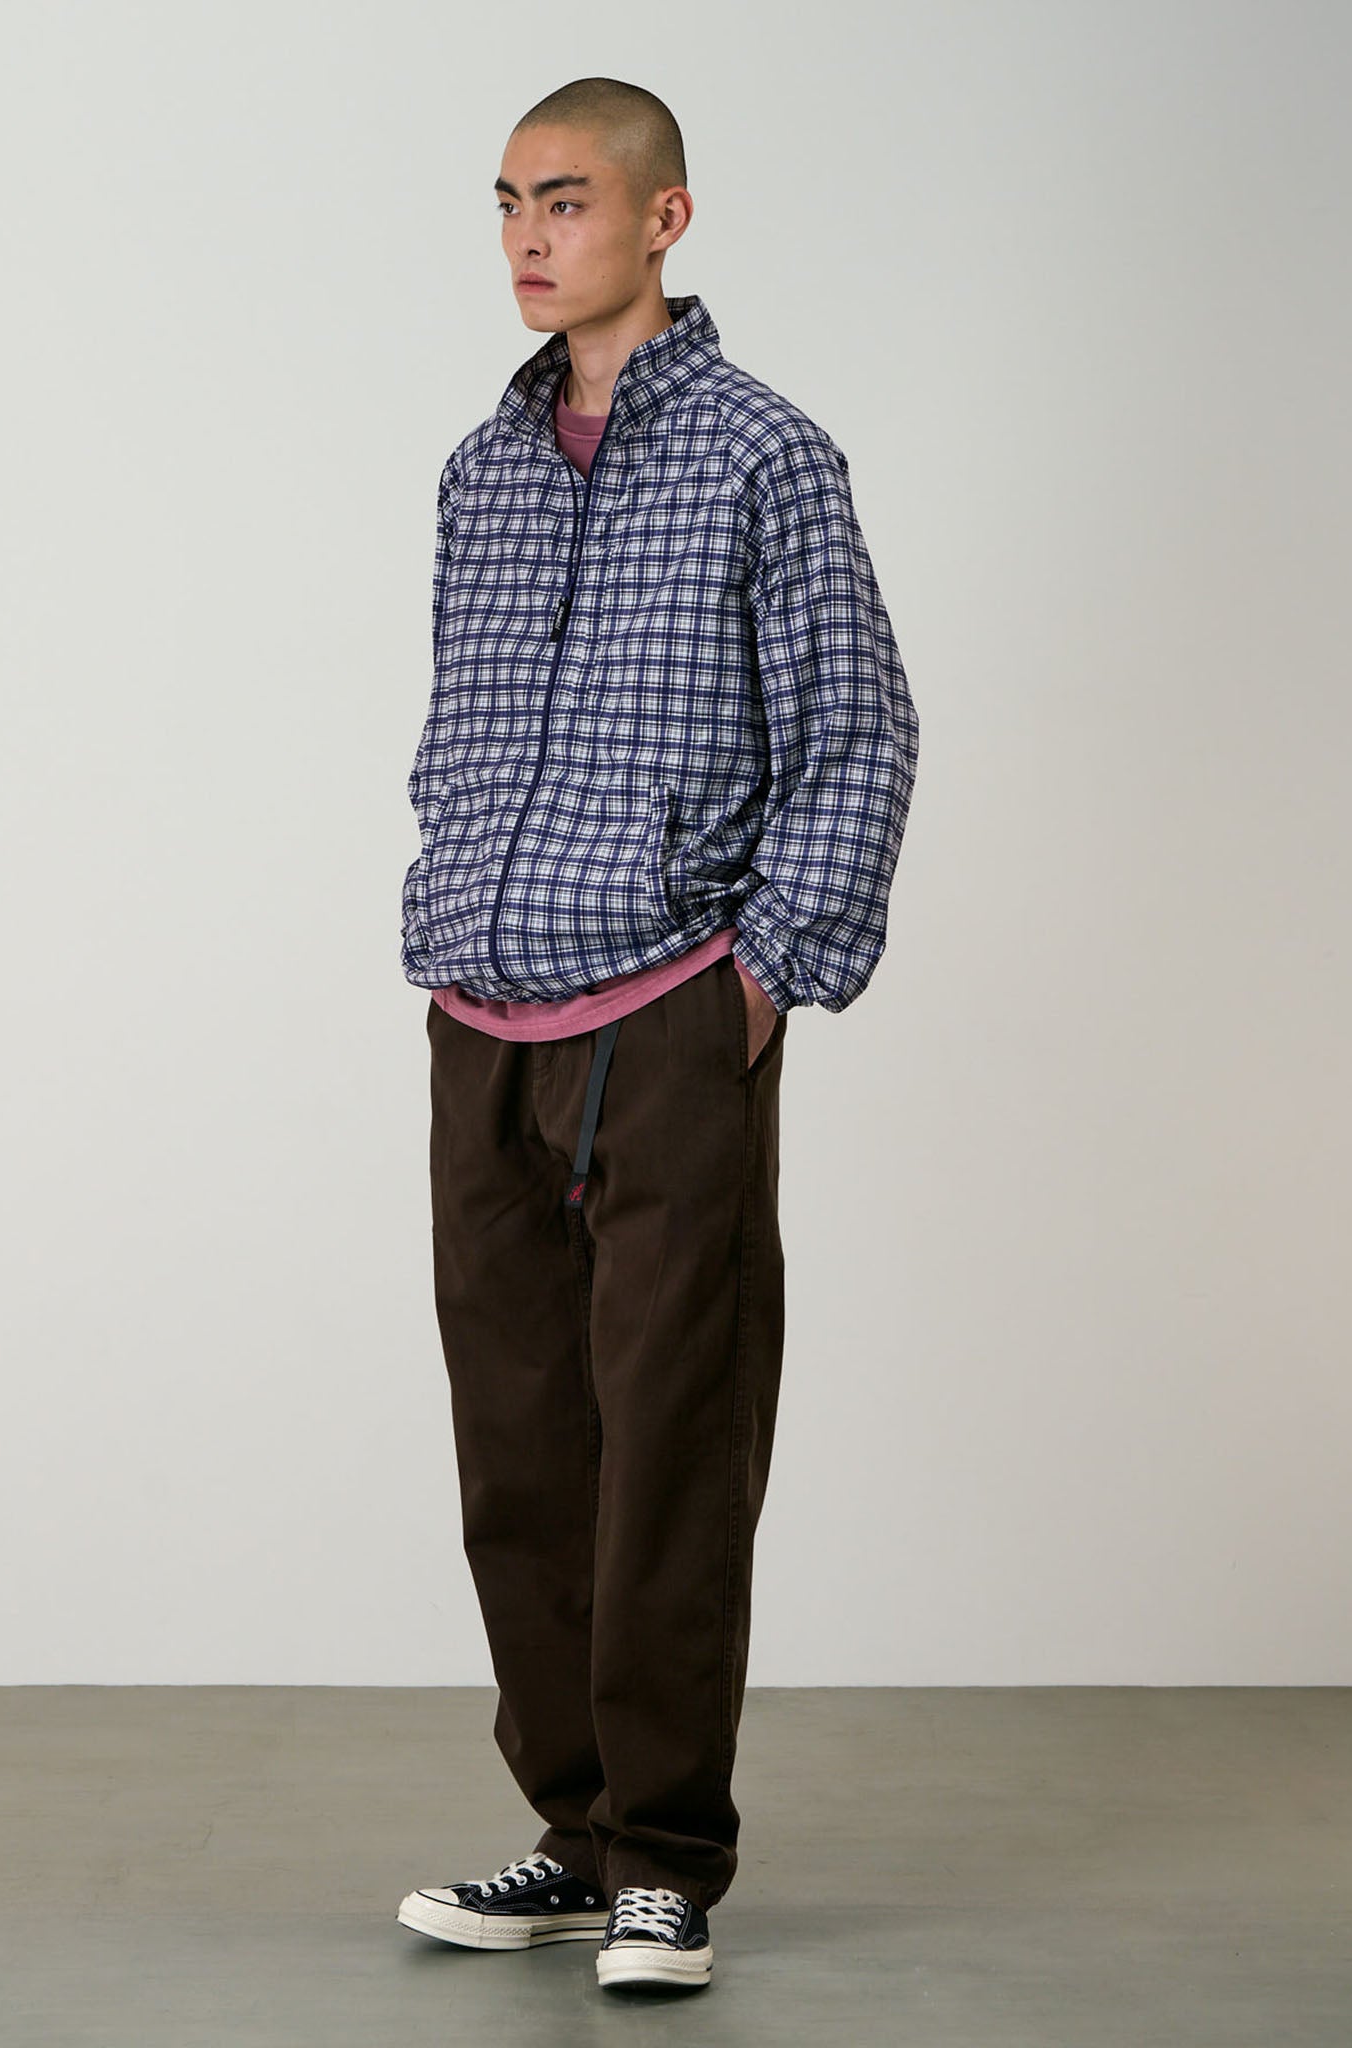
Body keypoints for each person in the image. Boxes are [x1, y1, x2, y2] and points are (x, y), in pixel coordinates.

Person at [393, 76, 919, 1995]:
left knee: (672, 1447)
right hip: (481, 1012)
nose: (529, 236)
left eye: (567, 199)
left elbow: (858, 730)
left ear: (664, 218)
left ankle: (668, 1864)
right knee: (520, 1451)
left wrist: (764, 977)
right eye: (508, 202)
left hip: (670, 1011)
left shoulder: (769, 454)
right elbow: (464, 725)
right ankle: (575, 1832)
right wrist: (448, 892)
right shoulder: (484, 468)